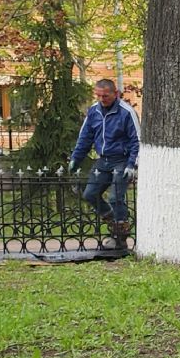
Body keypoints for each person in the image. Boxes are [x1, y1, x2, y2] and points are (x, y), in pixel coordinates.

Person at [68, 78, 139, 241]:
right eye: (98, 96)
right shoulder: (94, 111)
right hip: (103, 160)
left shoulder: (126, 112)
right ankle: (114, 221)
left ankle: (120, 235)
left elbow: (136, 140)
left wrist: (132, 164)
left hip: (122, 160)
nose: (101, 99)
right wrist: (75, 159)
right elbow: (85, 137)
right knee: (90, 194)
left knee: (115, 198)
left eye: (105, 96)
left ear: (116, 94)